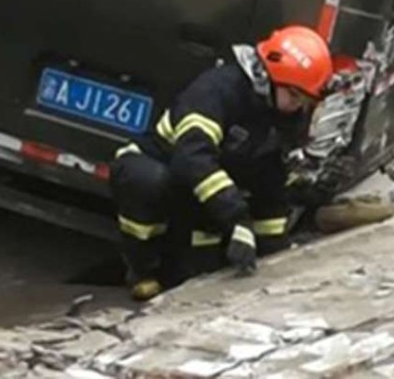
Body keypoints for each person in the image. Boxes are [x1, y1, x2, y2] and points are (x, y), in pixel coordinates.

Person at [110, 25, 348, 300]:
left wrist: (274, 253)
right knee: (147, 181)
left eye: (305, 101)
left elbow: (269, 182)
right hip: (160, 166)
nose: (298, 107)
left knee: (197, 277)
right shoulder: (218, 90)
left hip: (201, 192)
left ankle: (178, 263)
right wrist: (237, 220)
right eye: (294, 96)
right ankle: (140, 267)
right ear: (269, 78)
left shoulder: (281, 115)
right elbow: (192, 158)